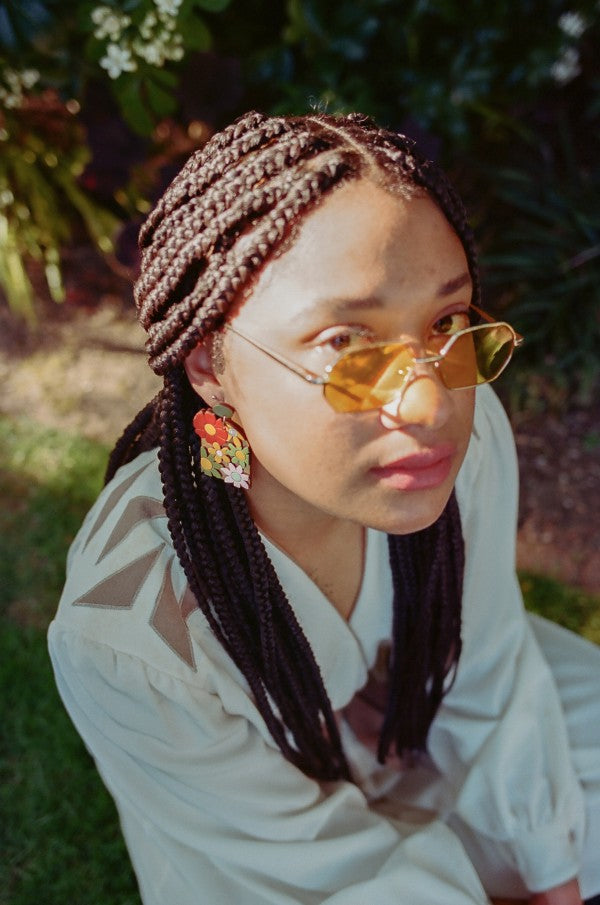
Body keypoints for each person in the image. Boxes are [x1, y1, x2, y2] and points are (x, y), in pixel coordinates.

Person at [48, 110, 600, 905]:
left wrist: (552, 877)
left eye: (445, 322)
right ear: (209, 364)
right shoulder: (133, 634)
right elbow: (305, 863)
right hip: (263, 831)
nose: (428, 403)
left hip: (420, 719)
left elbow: (491, 668)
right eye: (348, 343)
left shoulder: (466, 440)